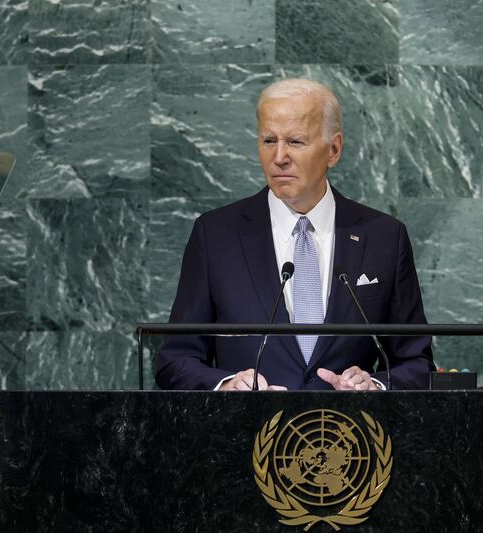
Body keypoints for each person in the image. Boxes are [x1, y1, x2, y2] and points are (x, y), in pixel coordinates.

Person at [155, 78, 434, 391]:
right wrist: (227, 384)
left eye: (296, 142)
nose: (279, 157)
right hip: (248, 433)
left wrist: (375, 385)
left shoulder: (383, 236)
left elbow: (416, 362)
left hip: (350, 435)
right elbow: (175, 360)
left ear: (334, 149)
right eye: (269, 141)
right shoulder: (216, 235)